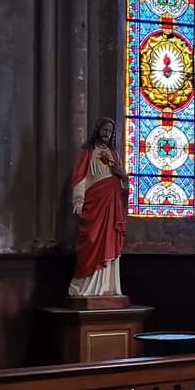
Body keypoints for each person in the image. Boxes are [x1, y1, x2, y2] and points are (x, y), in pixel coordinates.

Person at [68, 117, 128, 298]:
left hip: (112, 202)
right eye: (105, 130)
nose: (107, 133)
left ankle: (107, 287)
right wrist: (79, 199)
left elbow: (122, 180)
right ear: (98, 130)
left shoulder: (114, 153)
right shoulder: (87, 152)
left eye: (110, 131)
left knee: (110, 238)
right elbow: (80, 178)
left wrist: (123, 177)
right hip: (95, 202)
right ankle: (83, 286)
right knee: (91, 239)